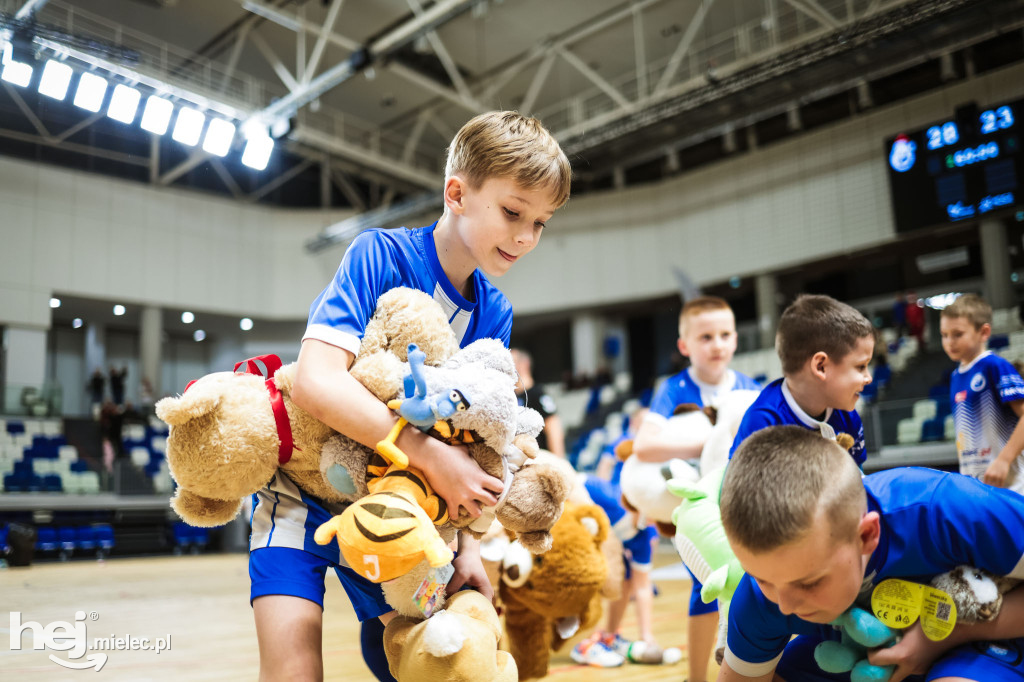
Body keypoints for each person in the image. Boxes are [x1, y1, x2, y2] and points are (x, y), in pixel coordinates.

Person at [251, 111, 571, 682]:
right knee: (293, 672)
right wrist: (423, 451)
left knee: (420, 665)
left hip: (401, 513)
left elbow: (477, 443)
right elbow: (315, 380)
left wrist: (469, 550)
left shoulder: (494, 313)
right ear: (457, 194)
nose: (526, 237)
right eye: (513, 212)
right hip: (301, 495)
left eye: (542, 222)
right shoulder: (380, 254)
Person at [717, 425, 1024, 682]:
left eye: (809, 583)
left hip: (989, 638)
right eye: (761, 579)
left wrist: (941, 637)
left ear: (866, 535)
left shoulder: (944, 510)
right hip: (858, 658)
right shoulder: (763, 593)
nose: (784, 605)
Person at [632, 295, 760, 682]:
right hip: (702, 508)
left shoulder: (749, 387)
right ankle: (696, 677)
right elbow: (643, 445)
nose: (717, 344)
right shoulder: (674, 389)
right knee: (704, 587)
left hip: (745, 503)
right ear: (685, 346)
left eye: (725, 334)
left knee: (756, 583)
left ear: (736, 339)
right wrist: (709, 444)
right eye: (706, 337)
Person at [729, 294, 874, 466]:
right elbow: (743, 491)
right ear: (821, 366)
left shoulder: (846, 414)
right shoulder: (763, 423)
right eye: (860, 366)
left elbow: (856, 482)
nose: (869, 378)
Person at [573, 407, 665, 667]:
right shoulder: (608, 494)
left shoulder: (645, 533)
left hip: (617, 536)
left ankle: (608, 636)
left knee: (627, 577)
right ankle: (583, 639)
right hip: (583, 535)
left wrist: (648, 637)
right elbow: (572, 481)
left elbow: (643, 586)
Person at [939, 293, 1024, 494]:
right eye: (944, 335)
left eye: (958, 334)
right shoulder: (955, 376)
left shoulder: (994, 366)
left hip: (1013, 485)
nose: (949, 341)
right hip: (978, 484)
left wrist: (1004, 460)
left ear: (984, 332)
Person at [511, 348, 565, 456]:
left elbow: (553, 428)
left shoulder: (538, 394)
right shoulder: (511, 397)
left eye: (512, 362)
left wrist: (558, 461)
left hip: (539, 459)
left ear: (524, 364)